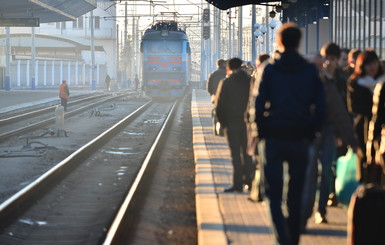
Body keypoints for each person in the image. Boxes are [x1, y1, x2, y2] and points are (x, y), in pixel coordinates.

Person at [253, 22, 326, 245]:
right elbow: (321, 107)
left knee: (273, 193)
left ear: (279, 41)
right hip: (300, 137)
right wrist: (312, 132)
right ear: (298, 43)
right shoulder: (310, 71)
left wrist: (262, 131)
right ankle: (293, 239)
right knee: (296, 193)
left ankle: (281, 239)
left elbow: (257, 105)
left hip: (274, 137)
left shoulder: (270, 69)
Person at [311, 43, 358, 225]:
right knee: (311, 171)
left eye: (331, 58)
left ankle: (321, 209)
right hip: (312, 131)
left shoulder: (342, 79)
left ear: (338, 60)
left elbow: (344, 110)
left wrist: (344, 135)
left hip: (331, 130)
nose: (328, 61)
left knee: (326, 172)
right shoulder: (314, 77)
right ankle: (309, 206)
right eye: (325, 57)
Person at [215, 58, 254, 192]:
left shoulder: (226, 82)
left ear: (228, 69)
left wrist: (222, 123)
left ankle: (237, 184)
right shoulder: (250, 81)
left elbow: (219, 105)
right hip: (248, 124)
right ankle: (249, 182)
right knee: (248, 154)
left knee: (235, 155)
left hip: (231, 124)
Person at [347, 49, 384, 182]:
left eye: (374, 63)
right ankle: (366, 188)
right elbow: (353, 106)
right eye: (368, 64)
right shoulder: (355, 82)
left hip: (382, 127)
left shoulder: (383, 82)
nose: (372, 67)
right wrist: (374, 110)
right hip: (364, 126)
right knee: (365, 159)